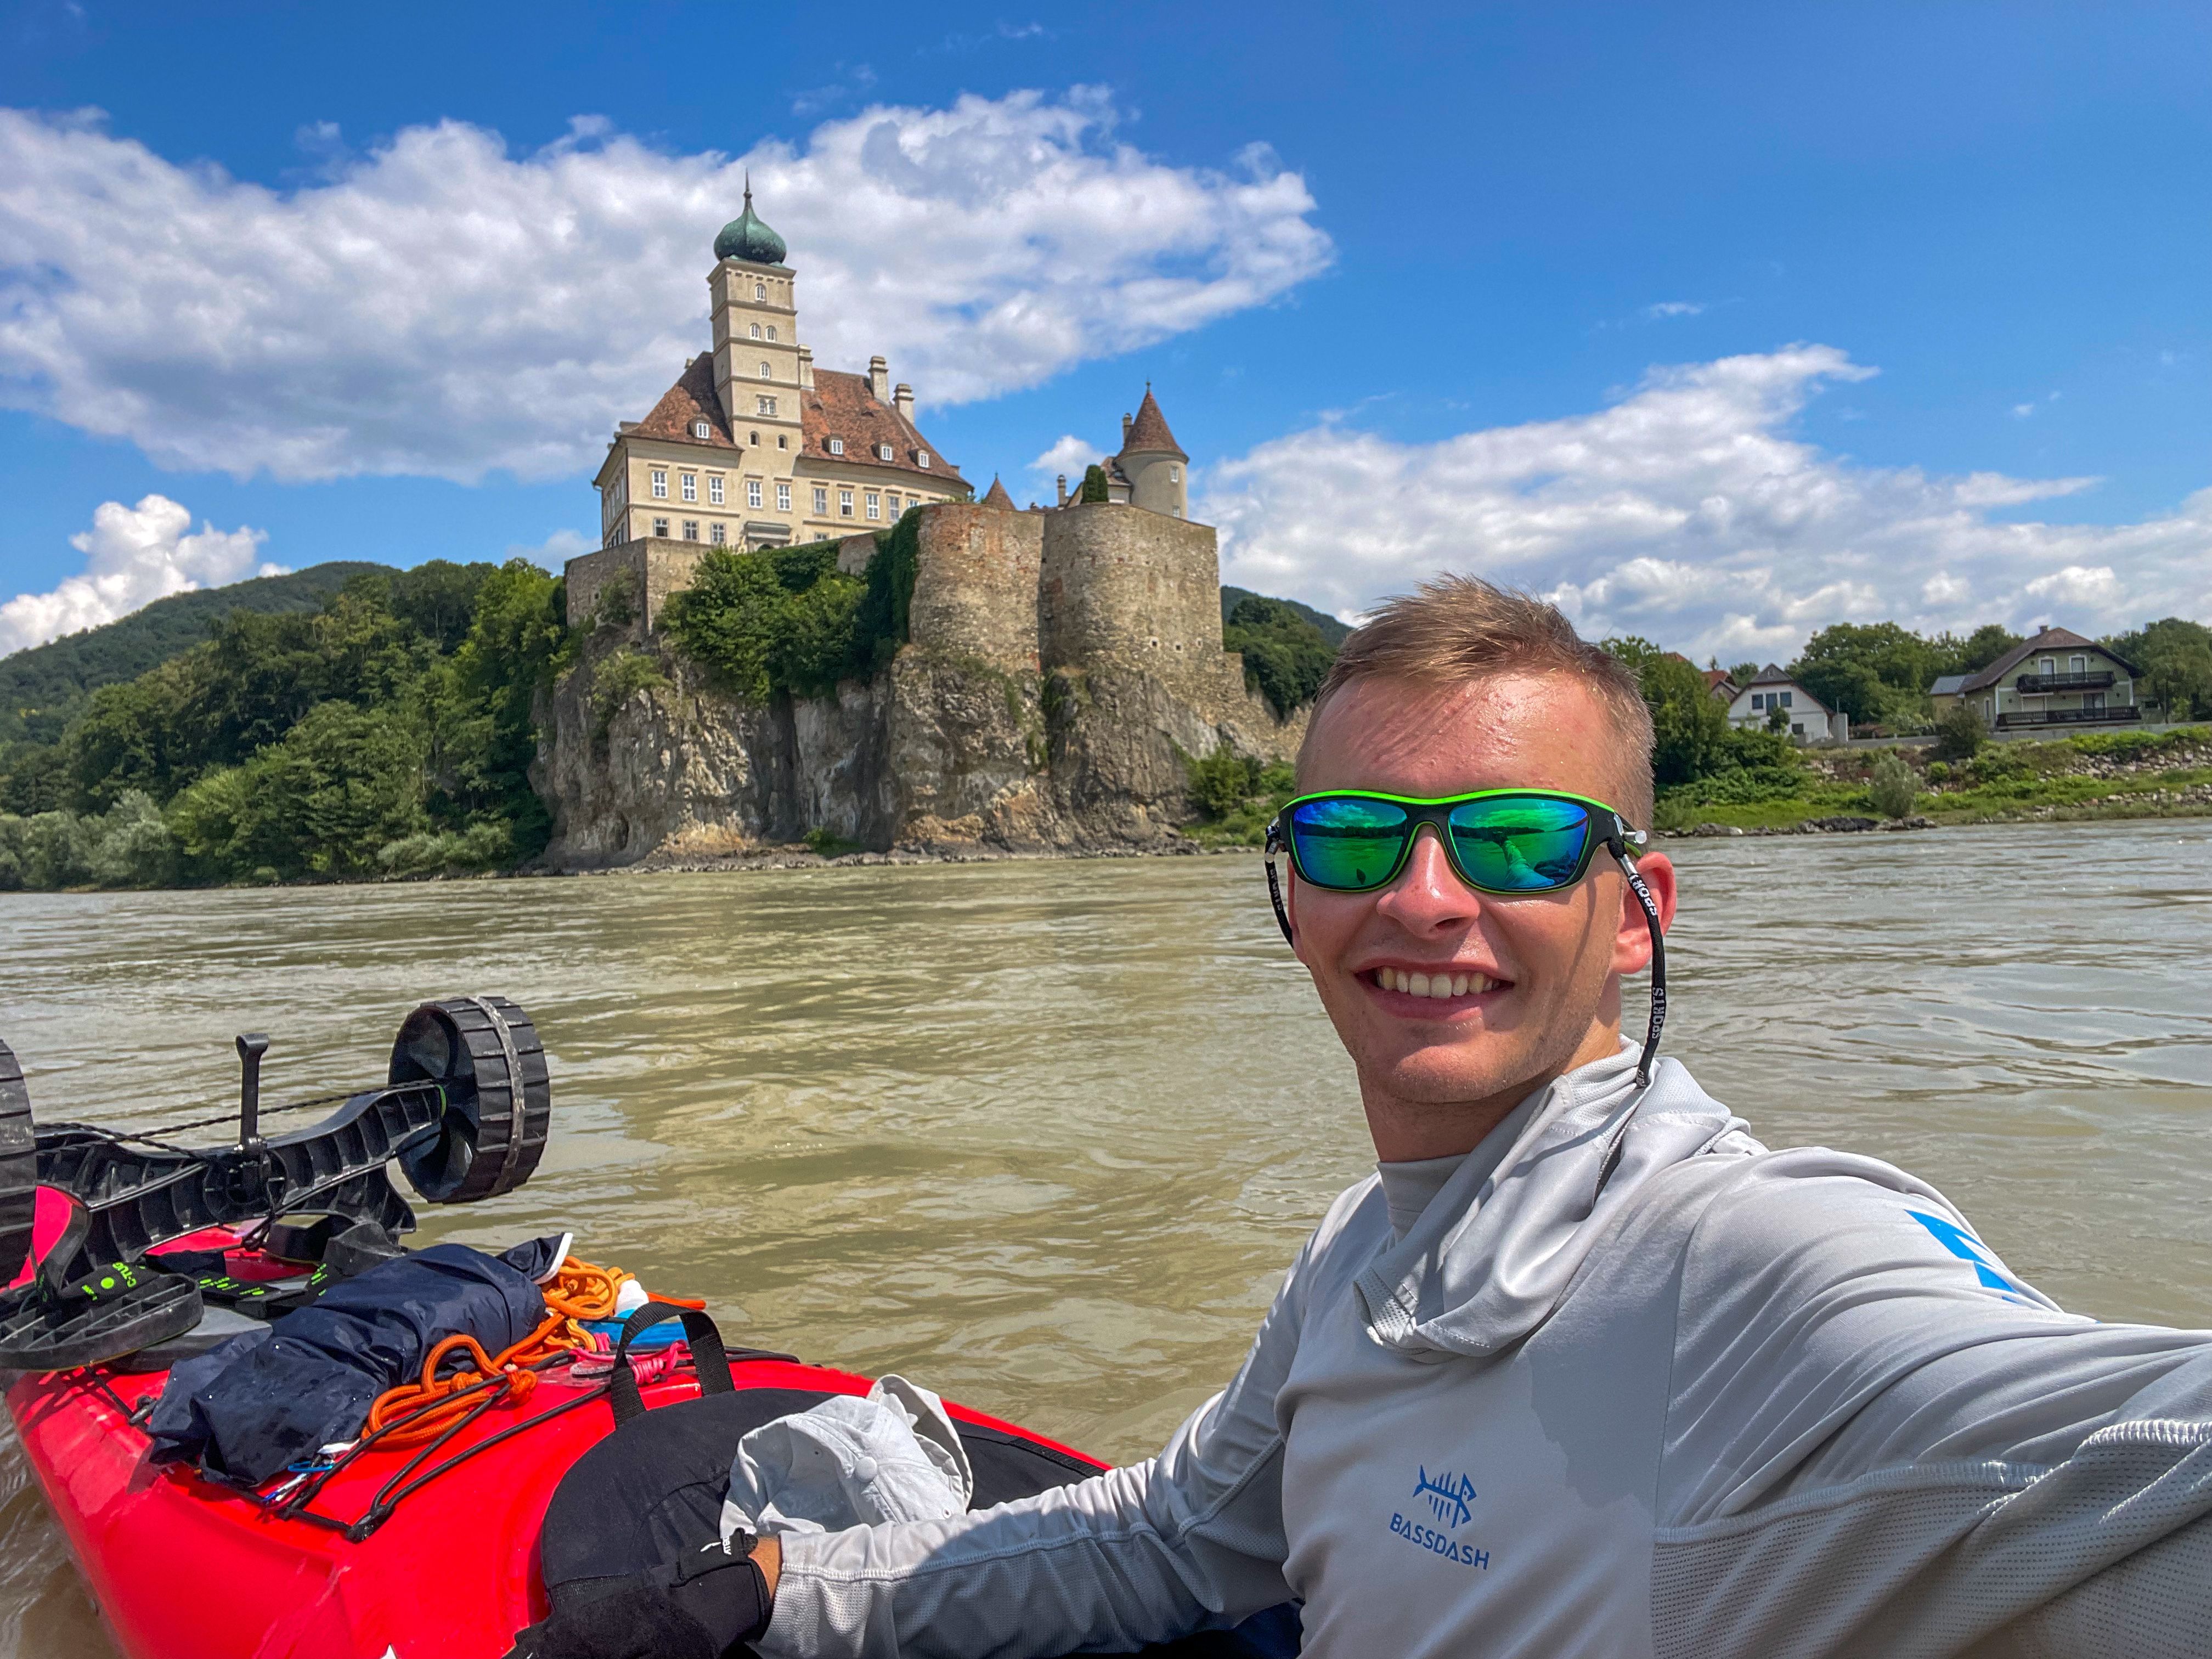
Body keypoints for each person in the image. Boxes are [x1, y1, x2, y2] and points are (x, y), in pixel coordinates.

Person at [521, 577, 2212, 1658]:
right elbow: (1184, 1531)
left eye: (1518, 840)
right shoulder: (1368, 1247)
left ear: (1640, 910)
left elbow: (2143, 1464)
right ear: (1289, 898)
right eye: (1351, 838)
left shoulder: (1761, 1264)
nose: (1422, 899)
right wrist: (778, 1599)